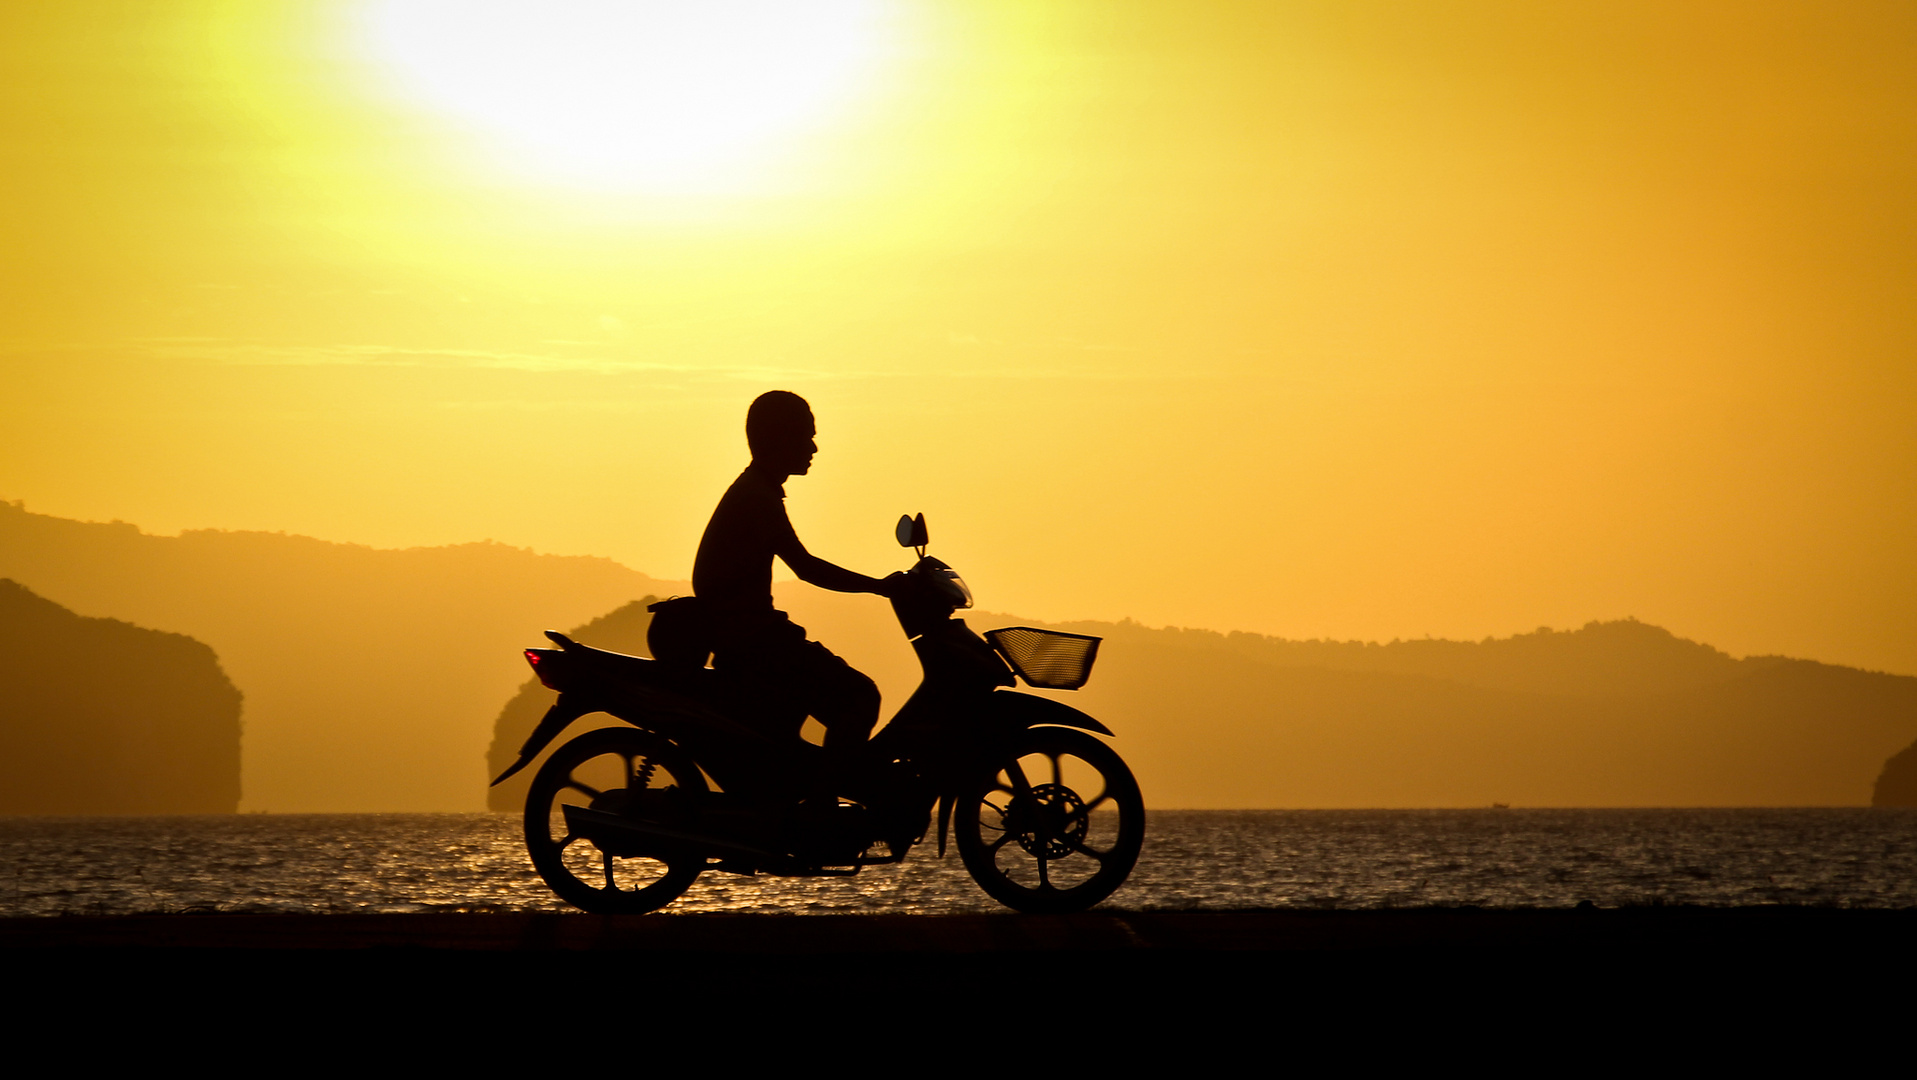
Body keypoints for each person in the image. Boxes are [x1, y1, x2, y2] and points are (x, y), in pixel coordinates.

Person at [692, 391, 894, 776]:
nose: (814, 446)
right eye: (806, 435)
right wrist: (881, 587)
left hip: (752, 637)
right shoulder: (757, 497)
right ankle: (824, 805)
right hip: (755, 642)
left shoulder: (757, 491)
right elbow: (806, 567)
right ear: (779, 439)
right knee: (859, 696)